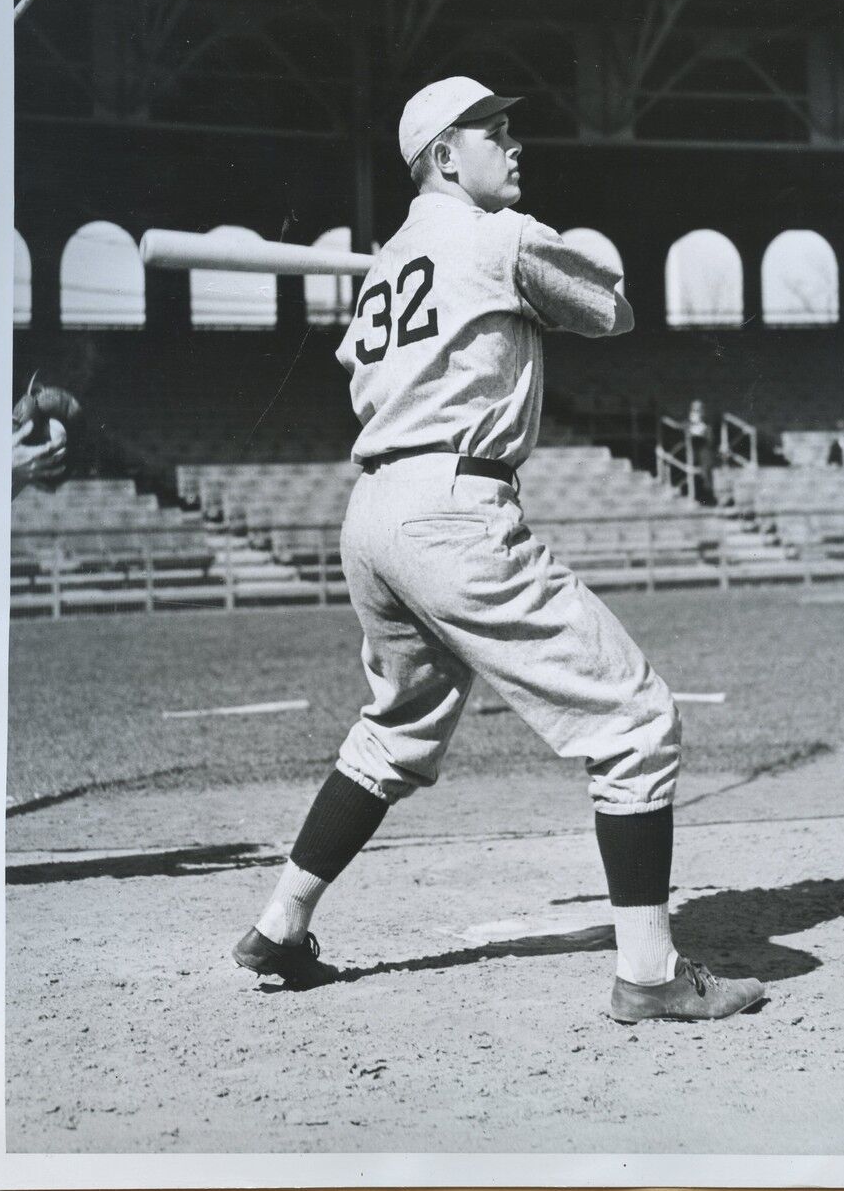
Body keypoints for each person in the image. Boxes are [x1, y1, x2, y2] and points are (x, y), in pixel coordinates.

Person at [234, 76, 763, 1023]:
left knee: (394, 734)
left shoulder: (390, 261)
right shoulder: (495, 236)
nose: (515, 147)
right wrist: (518, 265)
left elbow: (362, 364)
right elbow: (611, 312)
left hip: (372, 514)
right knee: (635, 720)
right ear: (444, 156)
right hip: (453, 508)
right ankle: (648, 975)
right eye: (495, 133)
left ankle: (280, 922)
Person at [687, 398, 717, 506]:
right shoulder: (688, 425)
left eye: (699, 410)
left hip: (704, 455)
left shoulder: (706, 426)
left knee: (706, 475)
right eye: (694, 410)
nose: (697, 412)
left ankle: (708, 498)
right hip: (692, 456)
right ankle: (698, 496)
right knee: (696, 476)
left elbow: (710, 441)